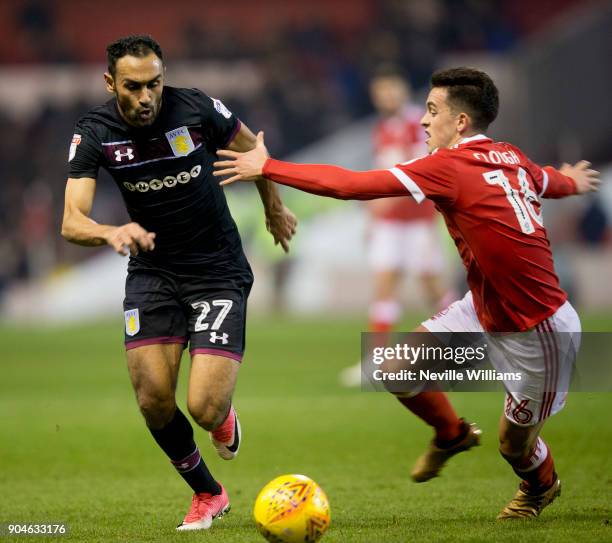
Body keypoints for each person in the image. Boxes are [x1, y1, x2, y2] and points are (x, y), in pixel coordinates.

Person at [213, 67, 600, 519]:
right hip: (484, 308)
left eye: (433, 111)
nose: (423, 121)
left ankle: (541, 485)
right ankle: (452, 434)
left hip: (539, 330)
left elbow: (352, 185)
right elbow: (545, 181)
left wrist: (269, 167)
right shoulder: (509, 155)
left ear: (460, 123)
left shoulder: (449, 166)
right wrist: (570, 180)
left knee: (514, 446)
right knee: (396, 367)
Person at [61, 35, 297, 531]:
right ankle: (209, 493)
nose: (146, 97)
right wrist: (109, 231)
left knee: (204, 408)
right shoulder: (95, 131)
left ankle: (222, 418)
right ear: (111, 83)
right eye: (133, 87)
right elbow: (71, 221)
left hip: (216, 267)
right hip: (152, 268)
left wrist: (274, 208)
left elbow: (255, 150)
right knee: (152, 398)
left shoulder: (196, 108)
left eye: (154, 84)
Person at [340, 65, 453, 387]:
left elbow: (421, 171)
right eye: (380, 93)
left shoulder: (419, 123)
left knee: (432, 285)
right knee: (384, 285)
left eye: (391, 91)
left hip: (417, 222)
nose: (386, 97)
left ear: (403, 92)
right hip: (389, 224)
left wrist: (382, 203)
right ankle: (375, 362)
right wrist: (374, 216)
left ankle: (467, 347)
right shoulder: (383, 128)